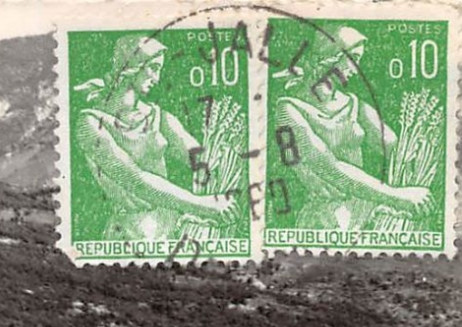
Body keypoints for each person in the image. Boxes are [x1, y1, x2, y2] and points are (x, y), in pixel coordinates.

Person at [74, 35, 236, 241]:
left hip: (172, 229)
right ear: (132, 65)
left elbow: (201, 161)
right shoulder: (90, 123)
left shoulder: (159, 116)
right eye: (153, 68)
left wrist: (221, 157)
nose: (157, 79)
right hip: (131, 236)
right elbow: (137, 180)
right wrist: (203, 205)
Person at [273, 25, 431, 229]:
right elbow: (330, 167)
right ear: (330, 56)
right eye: (354, 58)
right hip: (327, 219)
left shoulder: (354, 104)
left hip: (367, 212)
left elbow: (396, 148)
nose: (357, 69)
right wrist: (398, 196)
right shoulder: (288, 109)